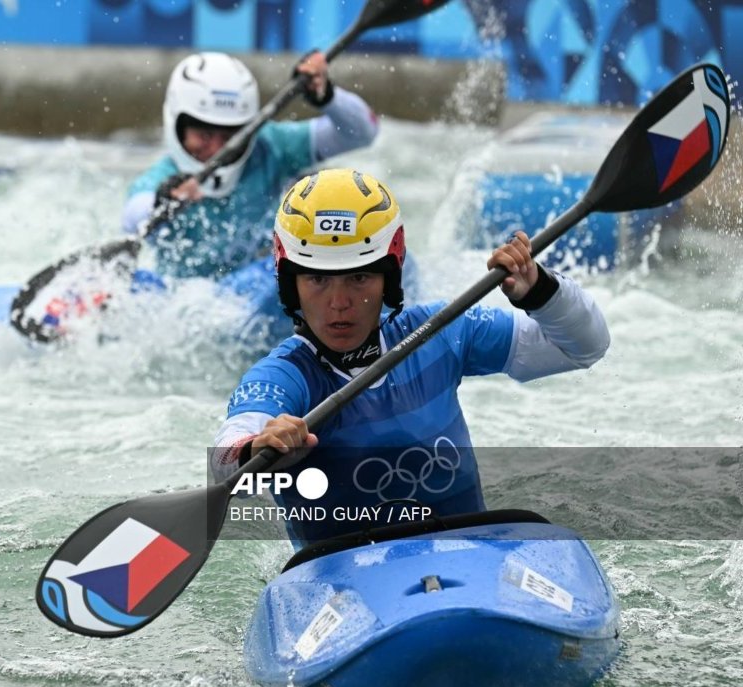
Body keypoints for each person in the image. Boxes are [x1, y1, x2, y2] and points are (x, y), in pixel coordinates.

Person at [211, 168, 610, 550]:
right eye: (317, 279)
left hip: (469, 559)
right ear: (290, 284)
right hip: (341, 582)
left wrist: (540, 291)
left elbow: (583, 347)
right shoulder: (284, 375)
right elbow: (226, 459)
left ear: (390, 277)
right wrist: (255, 449)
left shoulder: (442, 331)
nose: (339, 303)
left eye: (359, 277)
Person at [121, 51, 379, 280]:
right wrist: (162, 202)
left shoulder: (272, 146)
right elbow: (132, 218)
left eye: (230, 136)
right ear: (178, 126)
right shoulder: (160, 180)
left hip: (266, 285)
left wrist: (327, 96)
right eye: (204, 135)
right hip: (195, 307)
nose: (217, 150)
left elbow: (361, 133)